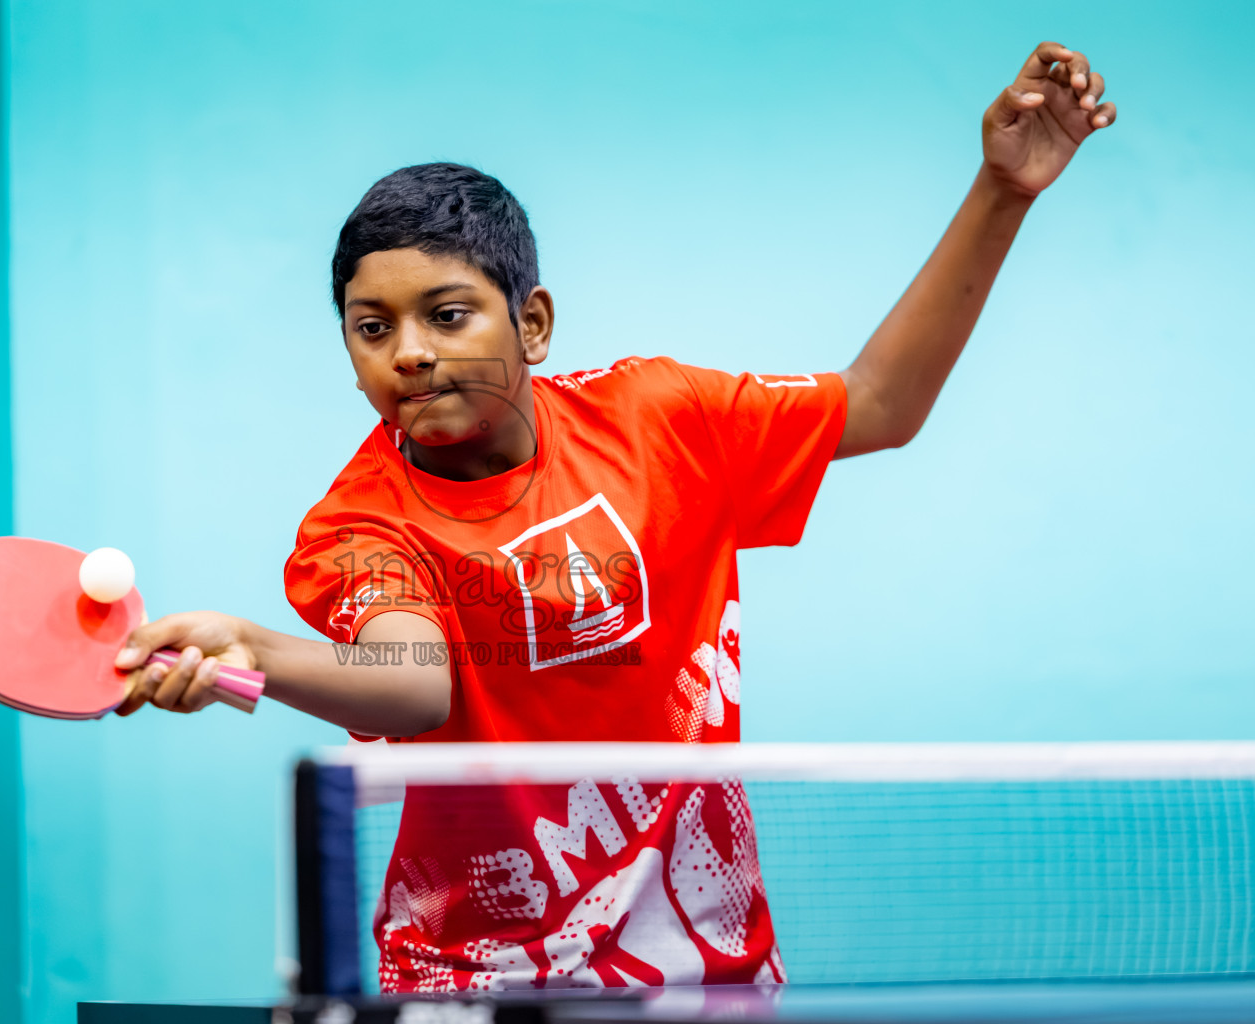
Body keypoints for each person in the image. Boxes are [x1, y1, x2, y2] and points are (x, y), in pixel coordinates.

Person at [115, 42, 1115, 989]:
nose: (408, 352)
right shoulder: (358, 524)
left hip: (708, 968)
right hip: (474, 977)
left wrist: (1003, 190)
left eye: (447, 313)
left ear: (533, 323)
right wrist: (251, 652)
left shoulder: (660, 420)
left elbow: (883, 404)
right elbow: (413, 683)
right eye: (372, 329)